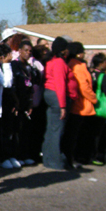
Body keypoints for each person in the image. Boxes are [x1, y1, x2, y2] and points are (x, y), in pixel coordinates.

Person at [42, 37, 70, 170]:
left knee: (51, 129)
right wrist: (63, 105)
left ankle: (48, 158)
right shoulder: (59, 62)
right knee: (56, 130)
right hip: (56, 96)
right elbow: (60, 84)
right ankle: (55, 160)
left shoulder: (51, 61)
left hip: (49, 94)